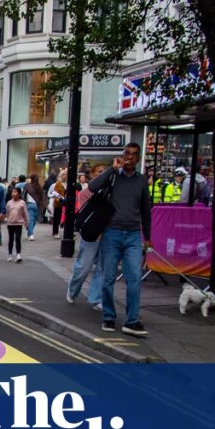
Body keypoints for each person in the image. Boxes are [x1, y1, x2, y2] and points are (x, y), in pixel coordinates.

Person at [89, 143, 152, 337]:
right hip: (112, 233)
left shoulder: (141, 181)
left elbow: (145, 210)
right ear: (122, 156)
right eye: (127, 154)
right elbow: (93, 187)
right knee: (108, 278)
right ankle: (109, 316)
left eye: (134, 154)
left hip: (133, 234)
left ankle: (131, 321)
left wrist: (148, 237)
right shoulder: (113, 176)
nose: (130, 157)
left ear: (138, 158)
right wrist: (111, 169)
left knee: (134, 278)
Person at [66, 164, 107, 309]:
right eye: (100, 172)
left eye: (105, 172)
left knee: (102, 268)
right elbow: (85, 216)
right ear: (93, 175)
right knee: (84, 267)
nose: (103, 174)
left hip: (106, 236)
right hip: (91, 236)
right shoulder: (86, 193)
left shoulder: (111, 192)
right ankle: (72, 290)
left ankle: (96, 299)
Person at [5, 187, 29, 263]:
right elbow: (7, 212)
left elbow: (25, 213)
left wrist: (27, 223)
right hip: (10, 223)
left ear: (19, 194)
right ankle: (9, 254)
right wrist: (6, 219)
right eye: (12, 192)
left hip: (18, 223)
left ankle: (18, 254)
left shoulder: (22, 203)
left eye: (15, 192)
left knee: (18, 239)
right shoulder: (9, 202)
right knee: (11, 239)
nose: (13, 194)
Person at [24, 174, 45, 240]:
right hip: (37, 205)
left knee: (30, 220)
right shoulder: (39, 187)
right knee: (33, 220)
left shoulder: (27, 186)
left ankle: (30, 234)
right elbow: (42, 197)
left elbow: (23, 195)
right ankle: (29, 233)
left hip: (29, 204)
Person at [49, 170, 67, 239]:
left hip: (66, 203)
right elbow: (55, 193)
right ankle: (55, 232)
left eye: (66, 174)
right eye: (64, 174)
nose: (65, 176)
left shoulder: (68, 184)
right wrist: (60, 199)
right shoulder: (58, 183)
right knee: (57, 218)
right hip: (59, 203)